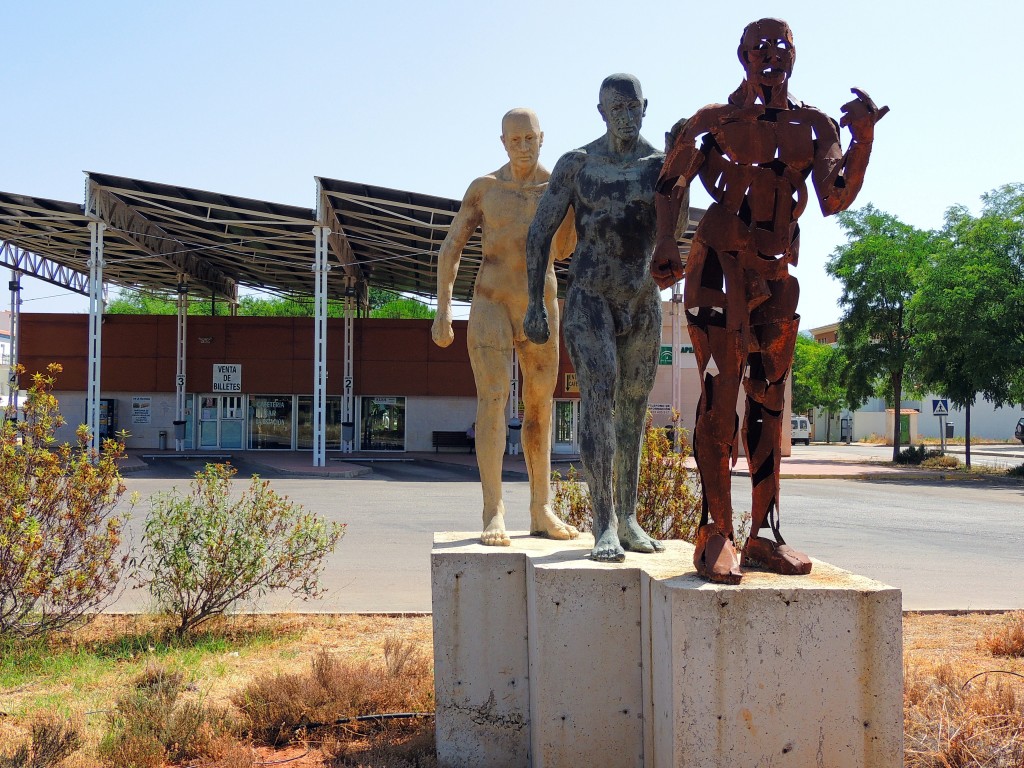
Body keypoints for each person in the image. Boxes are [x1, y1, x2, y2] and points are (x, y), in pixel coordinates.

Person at [652, 18, 887, 582]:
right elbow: (670, 182)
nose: (772, 56)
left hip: (776, 272)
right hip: (718, 267)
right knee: (720, 390)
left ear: (795, 57)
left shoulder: (814, 125)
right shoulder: (714, 122)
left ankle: (763, 534)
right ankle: (715, 534)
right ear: (742, 56)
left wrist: (862, 141)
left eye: (782, 47)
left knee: (769, 400)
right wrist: (665, 243)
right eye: (761, 47)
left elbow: (833, 199)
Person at [525, 74, 686, 562]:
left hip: (640, 299)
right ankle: (603, 525)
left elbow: (673, 232)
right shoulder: (579, 165)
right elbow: (539, 234)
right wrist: (536, 302)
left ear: (645, 107)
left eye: (631, 105)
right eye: (614, 107)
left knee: (634, 408)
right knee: (599, 397)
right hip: (590, 297)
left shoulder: (658, 166)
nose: (624, 114)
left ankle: (630, 517)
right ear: (600, 112)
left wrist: (680, 170)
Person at [432, 108, 578, 547]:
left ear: (542, 138)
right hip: (491, 302)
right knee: (493, 400)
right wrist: (442, 309)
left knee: (540, 407)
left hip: (541, 304)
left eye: (529, 138)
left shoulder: (557, 188)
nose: (522, 146)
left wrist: (570, 202)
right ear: (502, 142)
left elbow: (566, 249)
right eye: (514, 140)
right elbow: (451, 247)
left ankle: (541, 508)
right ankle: (493, 511)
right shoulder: (485, 189)